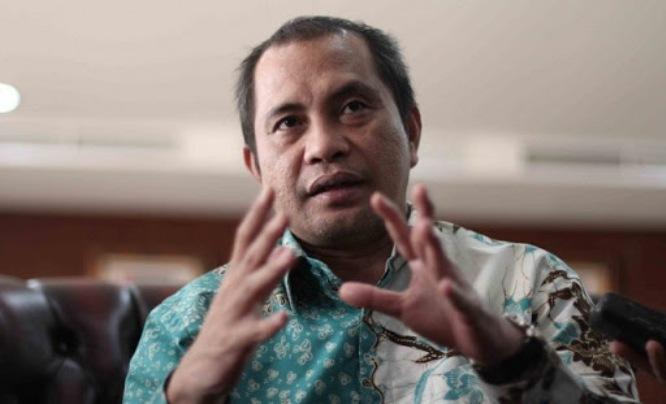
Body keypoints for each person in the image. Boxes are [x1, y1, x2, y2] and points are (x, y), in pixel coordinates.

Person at [123, 16, 639, 403]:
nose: (324, 145)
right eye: (288, 123)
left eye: (353, 107)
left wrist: (509, 357)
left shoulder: (532, 282)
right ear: (256, 167)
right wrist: (185, 396)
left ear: (411, 133)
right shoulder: (187, 325)